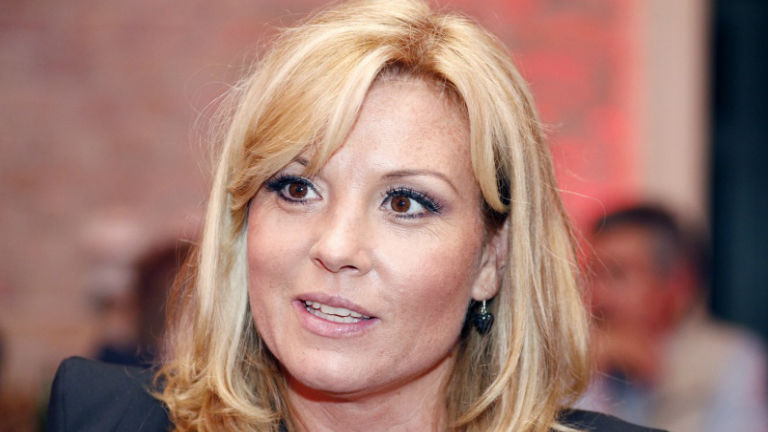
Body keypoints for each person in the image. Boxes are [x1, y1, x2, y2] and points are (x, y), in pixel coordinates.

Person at [46, 1, 663, 431]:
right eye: (296, 188)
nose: (336, 246)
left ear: (490, 259)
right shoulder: (101, 418)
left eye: (404, 203)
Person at [578, 204, 768, 432]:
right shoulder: (584, 356)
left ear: (677, 282)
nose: (598, 294)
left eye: (617, 275)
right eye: (591, 274)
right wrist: (586, 366)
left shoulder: (732, 359)